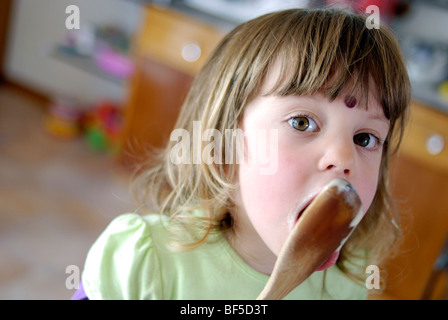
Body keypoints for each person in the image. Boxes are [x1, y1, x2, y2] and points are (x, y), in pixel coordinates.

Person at [72, 7, 411, 300]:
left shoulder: (343, 285)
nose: (344, 157)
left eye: (365, 138)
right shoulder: (145, 261)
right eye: (302, 122)